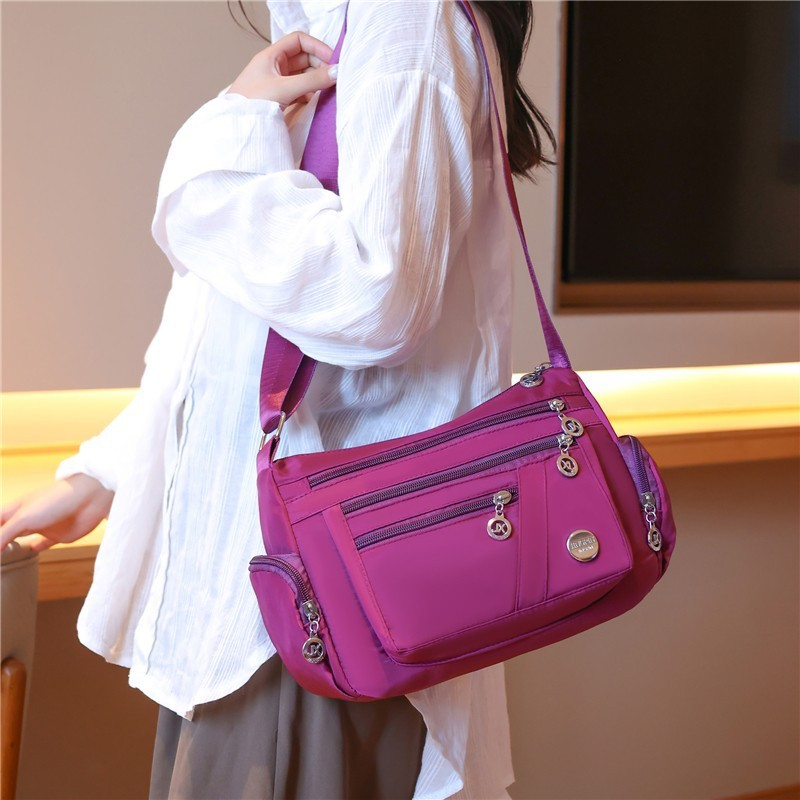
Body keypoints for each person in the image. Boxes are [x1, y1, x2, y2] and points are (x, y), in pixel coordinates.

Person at [1, 1, 557, 797]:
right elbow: (235, 324)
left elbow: (377, 297)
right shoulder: (342, 21)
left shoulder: (401, 15)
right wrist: (110, 470)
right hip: (277, 597)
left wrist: (215, 154)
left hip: (309, 606)